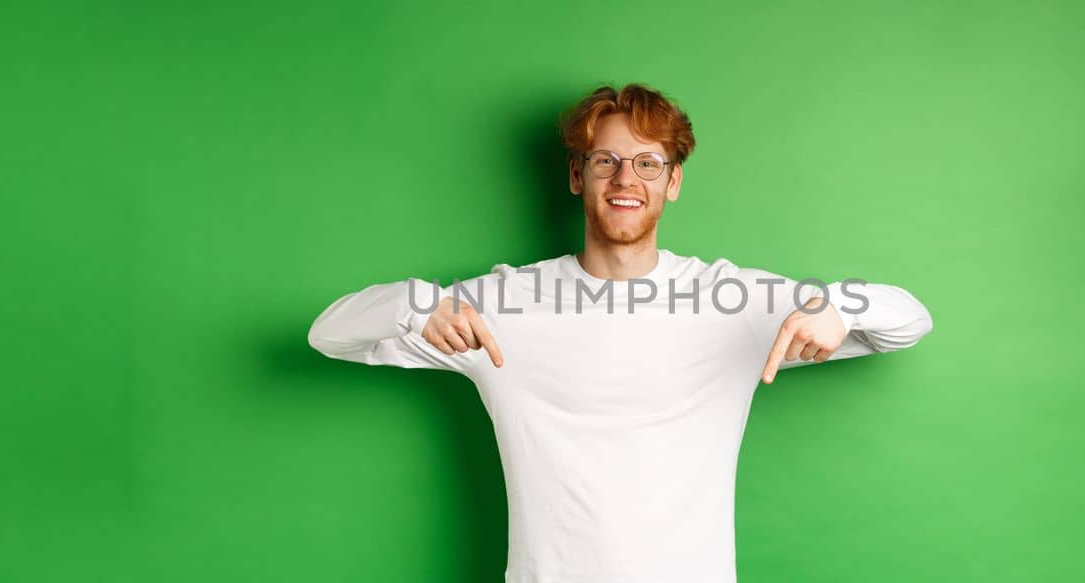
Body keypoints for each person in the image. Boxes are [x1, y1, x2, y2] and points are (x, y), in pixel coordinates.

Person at [307, 83, 934, 583]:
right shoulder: (502, 304)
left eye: (646, 163)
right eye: (606, 161)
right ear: (578, 177)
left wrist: (842, 307)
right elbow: (329, 332)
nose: (626, 179)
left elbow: (908, 319)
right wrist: (418, 305)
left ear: (673, 181)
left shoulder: (731, 299)